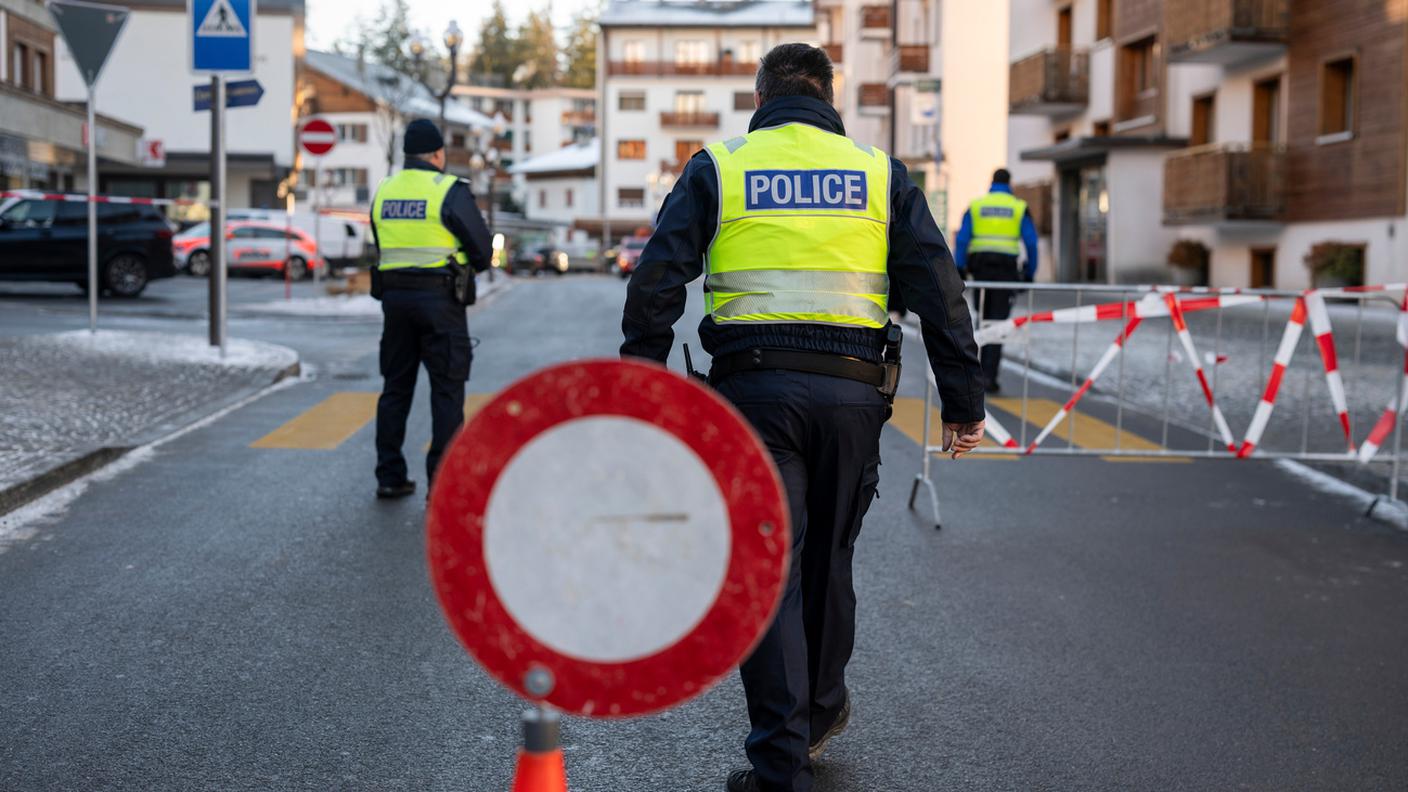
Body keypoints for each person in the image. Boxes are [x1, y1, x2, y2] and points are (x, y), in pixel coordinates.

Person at [620, 43, 986, 792]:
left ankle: (780, 759)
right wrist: (963, 401)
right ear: (830, 96)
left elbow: (659, 274)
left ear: (762, 98)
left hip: (755, 397)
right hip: (855, 396)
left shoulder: (719, 166)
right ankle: (817, 714)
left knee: (770, 567)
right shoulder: (878, 174)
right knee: (828, 560)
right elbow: (938, 287)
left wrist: (642, 380)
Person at [369, 119, 492, 499]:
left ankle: (390, 475)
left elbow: (380, 242)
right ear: (438, 154)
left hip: (394, 302)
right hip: (441, 301)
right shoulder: (448, 190)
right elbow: (483, 251)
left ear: (407, 154)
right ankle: (441, 483)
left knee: (395, 388)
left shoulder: (385, 190)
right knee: (447, 390)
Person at [954, 168, 1041, 392]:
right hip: (1006, 272)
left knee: (981, 321)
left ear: (991, 183)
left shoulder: (976, 206)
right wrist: (1030, 273)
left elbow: (962, 240)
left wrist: (960, 268)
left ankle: (973, 376)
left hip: (980, 270)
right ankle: (989, 378)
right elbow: (1031, 243)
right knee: (999, 324)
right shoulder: (1018, 207)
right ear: (1009, 184)